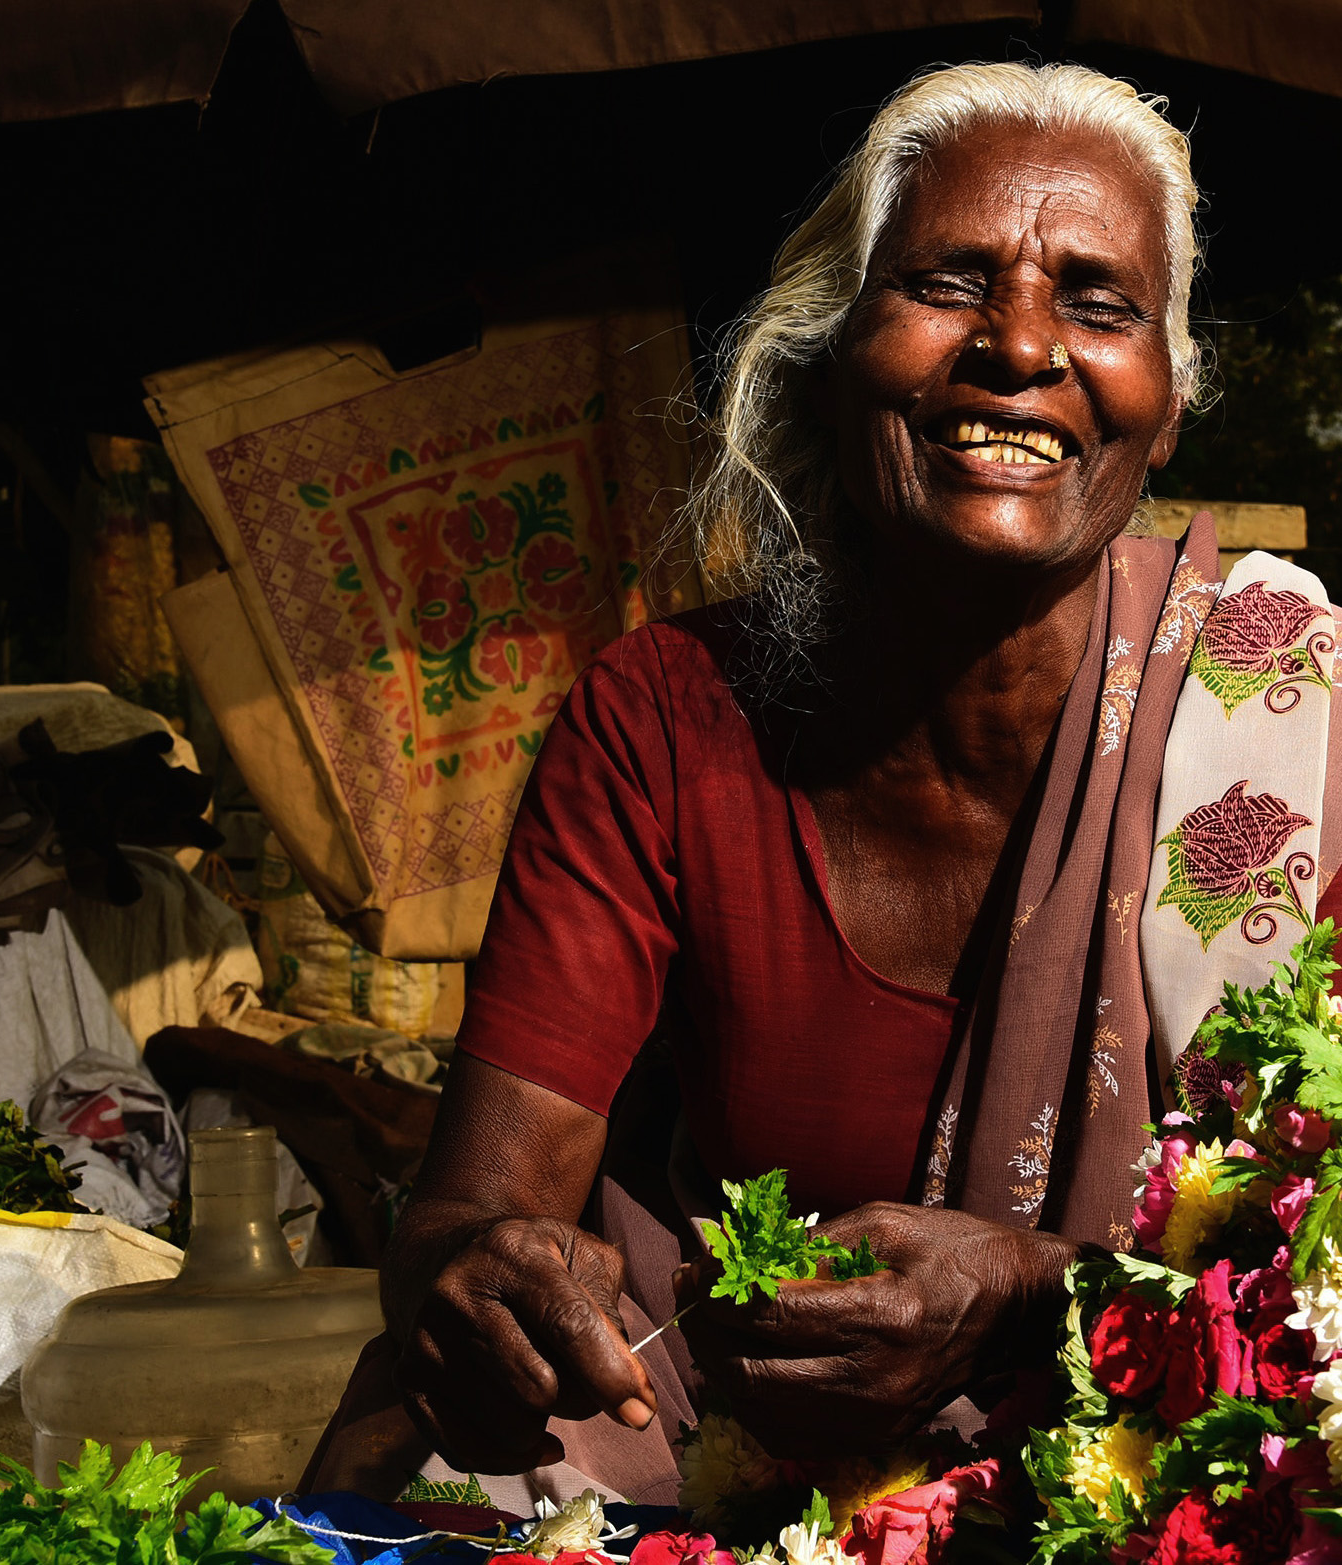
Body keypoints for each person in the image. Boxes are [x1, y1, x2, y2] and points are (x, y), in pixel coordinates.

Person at [302, 60, 1342, 1507]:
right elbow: (476, 1200)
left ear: (1162, 411)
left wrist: (1037, 1295)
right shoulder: (664, 717)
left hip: (1172, 1487)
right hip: (726, 1467)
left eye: (1097, 304)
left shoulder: (1285, 725)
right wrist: (479, 1276)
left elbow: (1317, 1288)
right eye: (945, 281)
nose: (1019, 344)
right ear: (833, 351)